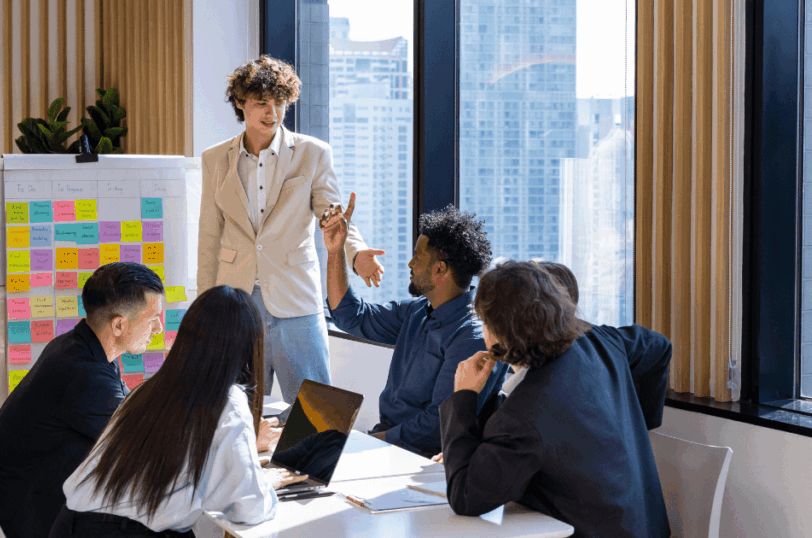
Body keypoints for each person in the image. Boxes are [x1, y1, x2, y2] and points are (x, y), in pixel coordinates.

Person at [197, 54, 385, 406]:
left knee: (315, 408)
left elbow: (333, 215)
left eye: (279, 103)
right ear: (241, 103)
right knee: (235, 409)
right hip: (237, 299)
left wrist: (357, 252)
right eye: (261, 103)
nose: (272, 113)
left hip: (296, 298)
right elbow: (209, 236)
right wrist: (206, 307)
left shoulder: (313, 153)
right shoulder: (214, 158)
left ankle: (316, 462)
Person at [439, 260, 673, 538]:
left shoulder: (524, 415)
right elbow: (659, 346)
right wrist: (634, 426)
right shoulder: (600, 340)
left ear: (499, 332)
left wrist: (463, 395)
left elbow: (466, 497)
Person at [52, 286, 306, 537]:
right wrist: (266, 483)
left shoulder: (148, 389)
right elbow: (250, 510)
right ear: (250, 346)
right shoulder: (229, 399)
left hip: (69, 523)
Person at [0, 262, 165, 538]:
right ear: (119, 325)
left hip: (26, 500)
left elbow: (128, 412)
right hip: (27, 519)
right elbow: (144, 446)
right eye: (152, 320)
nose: (159, 329)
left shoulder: (78, 346)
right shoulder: (85, 376)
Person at [322, 200, 510, 457]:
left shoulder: (472, 337)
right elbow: (350, 317)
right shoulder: (417, 311)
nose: (410, 264)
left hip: (423, 458)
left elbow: (437, 426)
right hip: (389, 442)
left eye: (417, 257)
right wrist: (335, 251)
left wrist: (370, 442)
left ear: (439, 269)